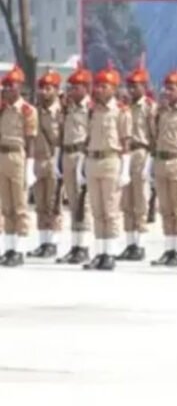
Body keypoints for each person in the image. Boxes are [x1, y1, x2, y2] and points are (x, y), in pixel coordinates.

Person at [82, 63, 132, 271]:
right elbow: (87, 139)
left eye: (104, 86)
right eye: (98, 85)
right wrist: (83, 165)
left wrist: (125, 170)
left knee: (110, 210)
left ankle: (110, 253)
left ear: (113, 88)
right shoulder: (92, 111)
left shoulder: (121, 111)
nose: (99, 89)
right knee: (97, 210)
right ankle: (99, 252)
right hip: (93, 160)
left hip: (111, 161)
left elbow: (126, 142)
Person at [148, 69, 177, 268]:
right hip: (161, 161)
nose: (167, 92)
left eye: (171, 89)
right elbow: (154, 136)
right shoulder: (160, 112)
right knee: (165, 209)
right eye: (165, 88)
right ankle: (169, 249)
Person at [0, 65, 38, 267]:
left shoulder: (27, 111)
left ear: (20, 87)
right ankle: (9, 247)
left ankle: (20, 249)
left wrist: (29, 167)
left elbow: (31, 141)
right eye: (5, 86)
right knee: (6, 206)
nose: (7, 89)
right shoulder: (2, 109)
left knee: (20, 206)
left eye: (11, 85)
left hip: (18, 157)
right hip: (2, 156)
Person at [56, 62, 93, 265]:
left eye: (76, 87)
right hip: (68, 154)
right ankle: (75, 245)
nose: (71, 91)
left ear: (86, 88)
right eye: (70, 87)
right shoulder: (68, 108)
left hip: (82, 155)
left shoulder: (91, 109)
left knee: (82, 202)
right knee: (72, 201)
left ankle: (84, 246)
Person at [119, 59, 156, 261]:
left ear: (145, 86)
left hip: (142, 152)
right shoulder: (124, 107)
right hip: (126, 153)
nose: (132, 89)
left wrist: (150, 163)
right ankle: (129, 243)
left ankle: (140, 245)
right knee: (127, 201)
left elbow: (153, 136)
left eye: (136, 85)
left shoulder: (149, 107)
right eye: (129, 86)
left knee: (141, 200)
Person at [29, 69, 63, 259]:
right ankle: (43, 242)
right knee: (40, 204)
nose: (43, 92)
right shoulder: (34, 111)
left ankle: (53, 242)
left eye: (48, 88)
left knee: (54, 204)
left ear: (56, 90)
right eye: (41, 88)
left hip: (53, 160)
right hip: (38, 160)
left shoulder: (62, 112)